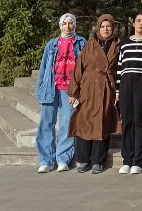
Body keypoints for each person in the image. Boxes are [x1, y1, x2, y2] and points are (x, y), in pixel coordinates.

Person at [68, 13, 120, 174]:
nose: (106, 29)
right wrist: (73, 92)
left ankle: (98, 161)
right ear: (98, 28)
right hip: (88, 87)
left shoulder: (118, 45)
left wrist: (118, 90)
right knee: (85, 122)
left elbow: (120, 70)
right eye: (103, 26)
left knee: (102, 123)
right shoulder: (89, 45)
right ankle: (83, 160)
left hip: (107, 88)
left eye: (109, 26)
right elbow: (78, 68)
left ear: (113, 28)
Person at [35, 13, 87, 173]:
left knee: (66, 124)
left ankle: (62, 158)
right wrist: (40, 89)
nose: (68, 26)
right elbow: (44, 68)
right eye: (65, 23)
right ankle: (46, 160)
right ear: (60, 25)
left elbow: (85, 68)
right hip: (51, 87)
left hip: (69, 90)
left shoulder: (81, 43)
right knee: (46, 123)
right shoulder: (52, 44)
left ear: (75, 25)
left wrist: (79, 91)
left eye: (71, 23)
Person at [116, 12, 142, 175]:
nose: (141, 23)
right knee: (127, 121)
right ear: (133, 24)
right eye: (138, 21)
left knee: (141, 121)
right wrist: (118, 91)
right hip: (126, 83)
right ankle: (127, 159)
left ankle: (139, 160)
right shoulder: (124, 43)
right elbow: (120, 68)